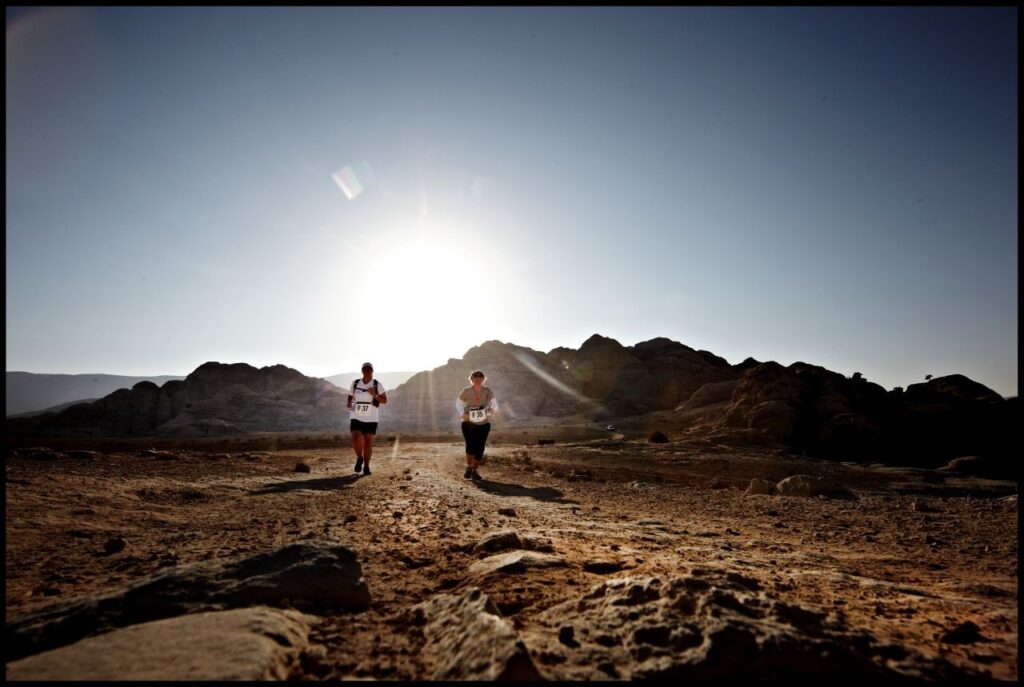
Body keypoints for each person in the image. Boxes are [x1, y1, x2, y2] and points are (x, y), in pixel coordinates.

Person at [456, 370, 498, 480]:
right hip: (468, 423)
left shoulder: (488, 391)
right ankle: (469, 467)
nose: (478, 378)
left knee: (480, 448)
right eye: (475, 376)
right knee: (470, 446)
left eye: (480, 377)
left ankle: (474, 471)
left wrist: (489, 412)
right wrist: (462, 414)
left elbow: (495, 405)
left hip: (484, 423)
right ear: (471, 379)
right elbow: (458, 404)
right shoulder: (466, 391)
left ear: (483, 379)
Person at [347, 362, 387, 476]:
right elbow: (350, 396)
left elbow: (384, 400)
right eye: (365, 369)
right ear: (362, 371)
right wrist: (349, 402)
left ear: (372, 371)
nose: (367, 371)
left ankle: (367, 466)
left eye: (369, 369)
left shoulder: (376, 384)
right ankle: (360, 458)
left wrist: (375, 395)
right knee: (355, 438)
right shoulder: (355, 383)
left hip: (371, 417)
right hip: (356, 415)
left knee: (368, 442)